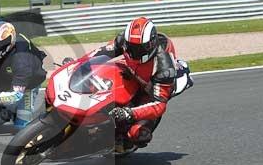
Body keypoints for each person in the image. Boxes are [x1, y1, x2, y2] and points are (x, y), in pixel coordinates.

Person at [80, 16, 192, 148]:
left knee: (139, 135)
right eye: (131, 47)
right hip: (131, 71)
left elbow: (159, 105)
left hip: (151, 88)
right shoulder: (124, 40)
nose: (133, 52)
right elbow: (101, 53)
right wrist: (78, 64)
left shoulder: (164, 68)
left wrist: (129, 113)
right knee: (99, 80)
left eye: (138, 49)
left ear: (150, 45)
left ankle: (123, 142)